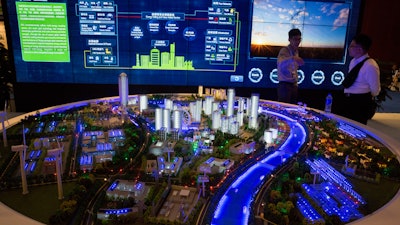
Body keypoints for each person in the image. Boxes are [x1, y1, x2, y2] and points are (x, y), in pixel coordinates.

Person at [339, 34, 380, 125]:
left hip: (360, 102)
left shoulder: (371, 65)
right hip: (348, 99)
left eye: (351, 46)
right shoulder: (353, 61)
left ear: (359, 49)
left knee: (357, 128)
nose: (349, 48)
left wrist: (365, 97)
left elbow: (375, 89)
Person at [276, 28, 305, 104]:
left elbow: (293, 68)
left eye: (299, 39)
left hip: (293, 85)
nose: (298, 42)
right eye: (295, 39)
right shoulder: (284, 50)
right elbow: (280, 64)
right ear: (289, 39)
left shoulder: (296, 51)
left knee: (292, 110)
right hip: (285, 86)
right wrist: (293, 58)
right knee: (284, 111)